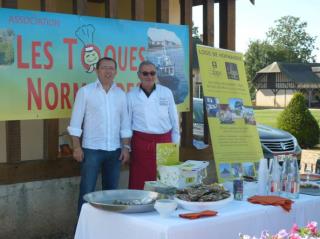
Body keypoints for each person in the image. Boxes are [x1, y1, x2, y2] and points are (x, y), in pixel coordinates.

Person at [67, 57, 131, 215]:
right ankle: (82, 232)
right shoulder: (85, 92)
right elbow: (75, 123)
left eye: (111, 68)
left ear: (116, 72)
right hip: (91, 150)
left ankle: (107, 230)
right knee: (86, 192)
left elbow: (125, 125)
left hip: (114, 150)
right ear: (97, 70)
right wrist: (76, 147)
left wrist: (126, 147)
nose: (108, 71)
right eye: (104, 68)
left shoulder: (121, 94)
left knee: (111, 195)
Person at [127, 60, 180, 190]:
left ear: (156, 74)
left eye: (152, 73)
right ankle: (140, 207)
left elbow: (174, 120)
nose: (149, 76)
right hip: (141, 143)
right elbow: (127, 123)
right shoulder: (131, 95)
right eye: (145, 73)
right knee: (140, 180)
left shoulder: (166, 92)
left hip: (165, 142)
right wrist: (126, 147)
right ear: (139, 75)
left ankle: (166, 208)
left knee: (167, 180)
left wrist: (175, 144)